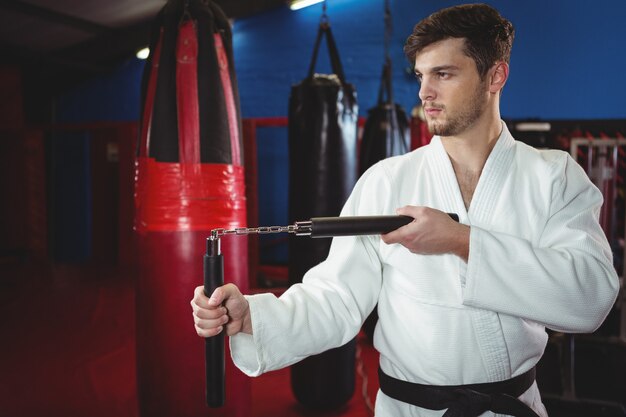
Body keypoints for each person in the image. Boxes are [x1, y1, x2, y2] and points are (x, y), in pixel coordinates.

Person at [191, 4, 620, 416]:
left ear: (495, 76)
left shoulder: (552, 176)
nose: (424, 92)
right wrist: (254, 316)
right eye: (420, 75)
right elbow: (336, 297)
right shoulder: (387, 180)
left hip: (510, 408)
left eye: (443, 74)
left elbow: (591, 298)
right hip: (412, 411)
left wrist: (461, 241)